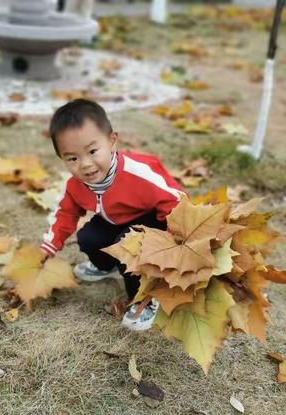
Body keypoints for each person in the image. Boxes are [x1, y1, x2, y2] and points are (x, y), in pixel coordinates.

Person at [39, 99, 184, 331]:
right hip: (114, 221)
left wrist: (175, 238)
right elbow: (64, 215)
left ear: (112, 141)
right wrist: (49, 246)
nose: (85, 164)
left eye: (93, 151)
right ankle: (104, 265)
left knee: (128, 248)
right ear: (62, 159)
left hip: (152, 223)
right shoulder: (76, 185)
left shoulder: (138, 172)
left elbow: (175, 199)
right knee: (88, 237)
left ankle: (146, 296)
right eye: (72, 158)